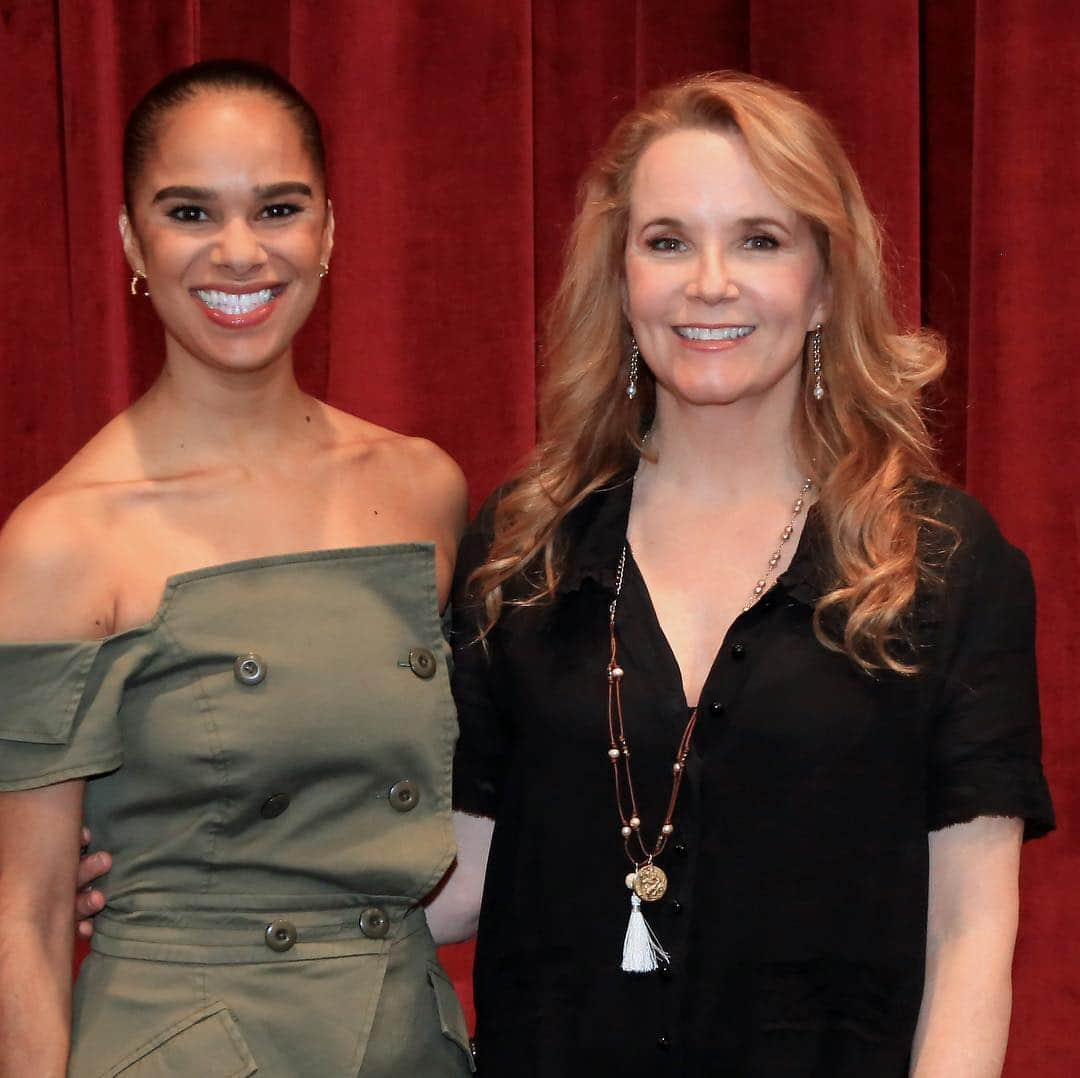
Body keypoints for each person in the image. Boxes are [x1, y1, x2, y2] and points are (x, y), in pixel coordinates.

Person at [447, 72, 1054, 1076]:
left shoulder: (942, 562)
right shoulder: (526, 546)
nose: (710, 281)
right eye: (668, 239)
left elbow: (969, 936)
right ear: (622, 274)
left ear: (823, 285)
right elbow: (461, 873)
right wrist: (183, 867)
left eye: (760, 239)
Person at [0, 60, 479, 1076]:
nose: (238, 251)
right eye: (189, 211)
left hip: (407, 1037)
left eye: (277, 208)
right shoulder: (62, 540)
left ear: (329, 232)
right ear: (133, 239)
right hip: (185, 1042)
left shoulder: (424, 489)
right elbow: (27, 916)